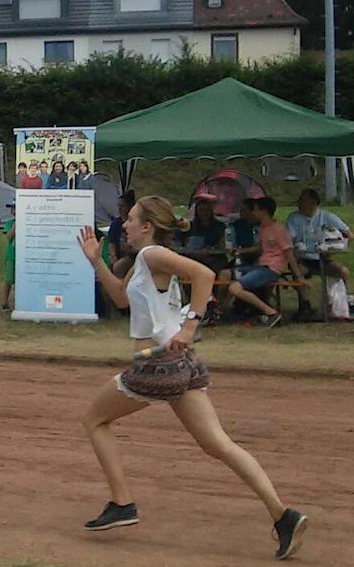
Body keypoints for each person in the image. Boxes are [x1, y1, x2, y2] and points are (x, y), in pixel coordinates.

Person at [75, 196, 308, 560]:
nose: (126, 224)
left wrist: (190, 323)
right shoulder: (143, 261)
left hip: (155, 366)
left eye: (131, 219)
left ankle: (122, 503)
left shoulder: (152, 255)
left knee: (94, 419)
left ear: (147, 226)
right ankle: (283, 515)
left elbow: (205, 275)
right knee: (218, 444)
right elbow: (120, 299)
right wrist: (96, 261)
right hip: (180, 363)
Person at [227, 197, 305, 328]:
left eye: (255, 210)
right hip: (259, 266)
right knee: (225, 273)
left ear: (264, 211)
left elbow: (289, 253)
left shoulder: (279, 230)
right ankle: (222, 309)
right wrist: (241, 251)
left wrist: (298, 276)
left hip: (270, 269)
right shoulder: (263, 227)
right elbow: (261, 246)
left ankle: (271, 312)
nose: (252, 213)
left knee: (234, 288)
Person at [286, 188, 351, 287]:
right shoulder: (293, 218)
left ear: (313, 202)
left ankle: (342, 300)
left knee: (343, 271)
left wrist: (336, 249)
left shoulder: (327, 216)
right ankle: (305, 301)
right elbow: (288, 240)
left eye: (303, 200)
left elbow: (349, 234)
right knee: (299, 271)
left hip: (322, 258)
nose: (299, 203)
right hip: (302, 258)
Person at [177, 194, 228, 274]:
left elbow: (223, 247)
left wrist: (210, 251)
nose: (204, 213)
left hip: (214, 258)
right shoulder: (189, 226)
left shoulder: (220, 226)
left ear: (211, 211)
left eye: (207, 210)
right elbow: (182, 245)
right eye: (201, 210)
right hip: (192, 258)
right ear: (196, 211)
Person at [108, 191, 137, 277]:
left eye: (123, 206)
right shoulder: (116, 223)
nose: (120, 209)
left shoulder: (137, 222)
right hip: (120, 258)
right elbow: (111, 244)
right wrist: (113, 258)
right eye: (118, 206)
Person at [230, 198, 261, 267]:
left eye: (244, 210)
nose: (241, 213)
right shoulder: (237, 225)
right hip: (242, 256)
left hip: (260, 258)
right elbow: (232, 245)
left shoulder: (262, 225)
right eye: (240, 210)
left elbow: (261, 246)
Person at [1, 203, 17, 311]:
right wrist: (15, 225)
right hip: (12, 255)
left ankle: (19, 302)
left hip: (23, 256)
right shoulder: (10, 223)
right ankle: (4, 302)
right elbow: (9, 236)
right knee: (9, 279)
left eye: (14, 208)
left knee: (19, 280)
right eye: (12, 209)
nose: (13, 211)